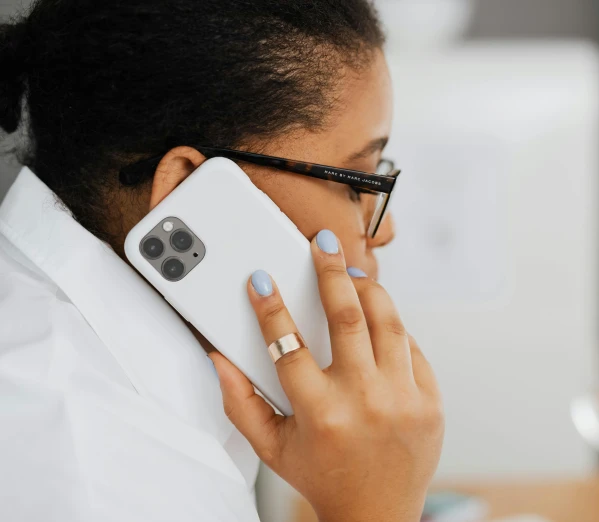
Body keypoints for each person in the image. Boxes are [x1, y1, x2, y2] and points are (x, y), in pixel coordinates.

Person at [0, 1, 444, 521]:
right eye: (356, 183)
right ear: (187, 195)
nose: (383, 229)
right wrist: (375, 506)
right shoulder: (87, 468)